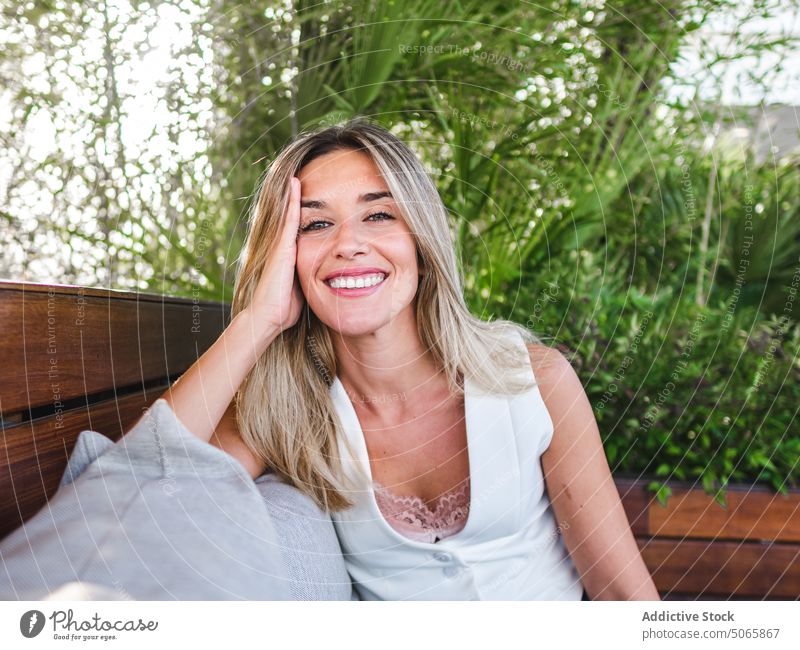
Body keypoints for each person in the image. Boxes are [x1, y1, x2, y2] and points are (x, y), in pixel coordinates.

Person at [163, 117, 661, 601]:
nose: (349, 245)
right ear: (284, 258)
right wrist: (259, 320)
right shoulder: (284, 415)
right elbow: (152, 487)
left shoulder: (535, 380)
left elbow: (621, 593)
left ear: (421, 242)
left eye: (378, 215)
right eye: (315, 224)